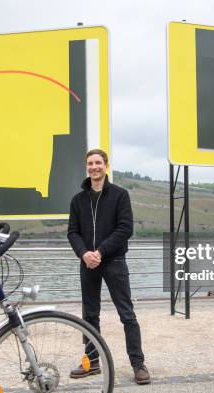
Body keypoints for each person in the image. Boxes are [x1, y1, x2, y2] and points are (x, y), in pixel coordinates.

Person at [67, 148, 150, 385]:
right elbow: (72, 232)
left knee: (127, 314)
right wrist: (84, 254)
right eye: (90, 163)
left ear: (106, 166)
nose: (94, 167)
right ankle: (92, 362)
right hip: (88, 264)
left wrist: (100, 252)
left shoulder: (120, 195)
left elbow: (125, 228)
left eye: (98, 163)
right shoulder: (78, 200)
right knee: (90, 315)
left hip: (114, 262)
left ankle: (138, 364)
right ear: (87, 167)